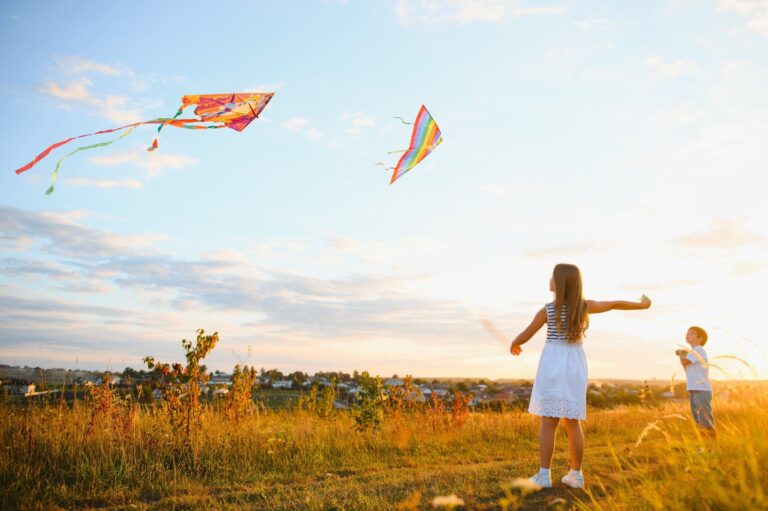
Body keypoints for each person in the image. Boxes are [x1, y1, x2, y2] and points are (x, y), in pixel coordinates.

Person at [510, 263, 651, 488]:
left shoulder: (548, 310)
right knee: (572, 421)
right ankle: (576, 475)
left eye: (552, 276)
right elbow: (614, 304)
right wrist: (642, 306)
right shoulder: (584, 307)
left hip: (553, 364)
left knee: (549, 421)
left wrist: (514, 343)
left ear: (561, 282)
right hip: (575, 363)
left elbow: (526, 333)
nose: (550, 280)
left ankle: (544, 476)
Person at [675, 326, 715, 437]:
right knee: (698, 419)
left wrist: (680, 353)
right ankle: (704, 446)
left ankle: (711, 447)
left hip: (701, 389)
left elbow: (684, 362)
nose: (687, 335)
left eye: (691, 333)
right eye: (687, 332)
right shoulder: (692, 352)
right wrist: (682, 354)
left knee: (705, 419)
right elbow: (687, 367)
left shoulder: (699, 350)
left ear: (700, 338)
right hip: (694, 388)